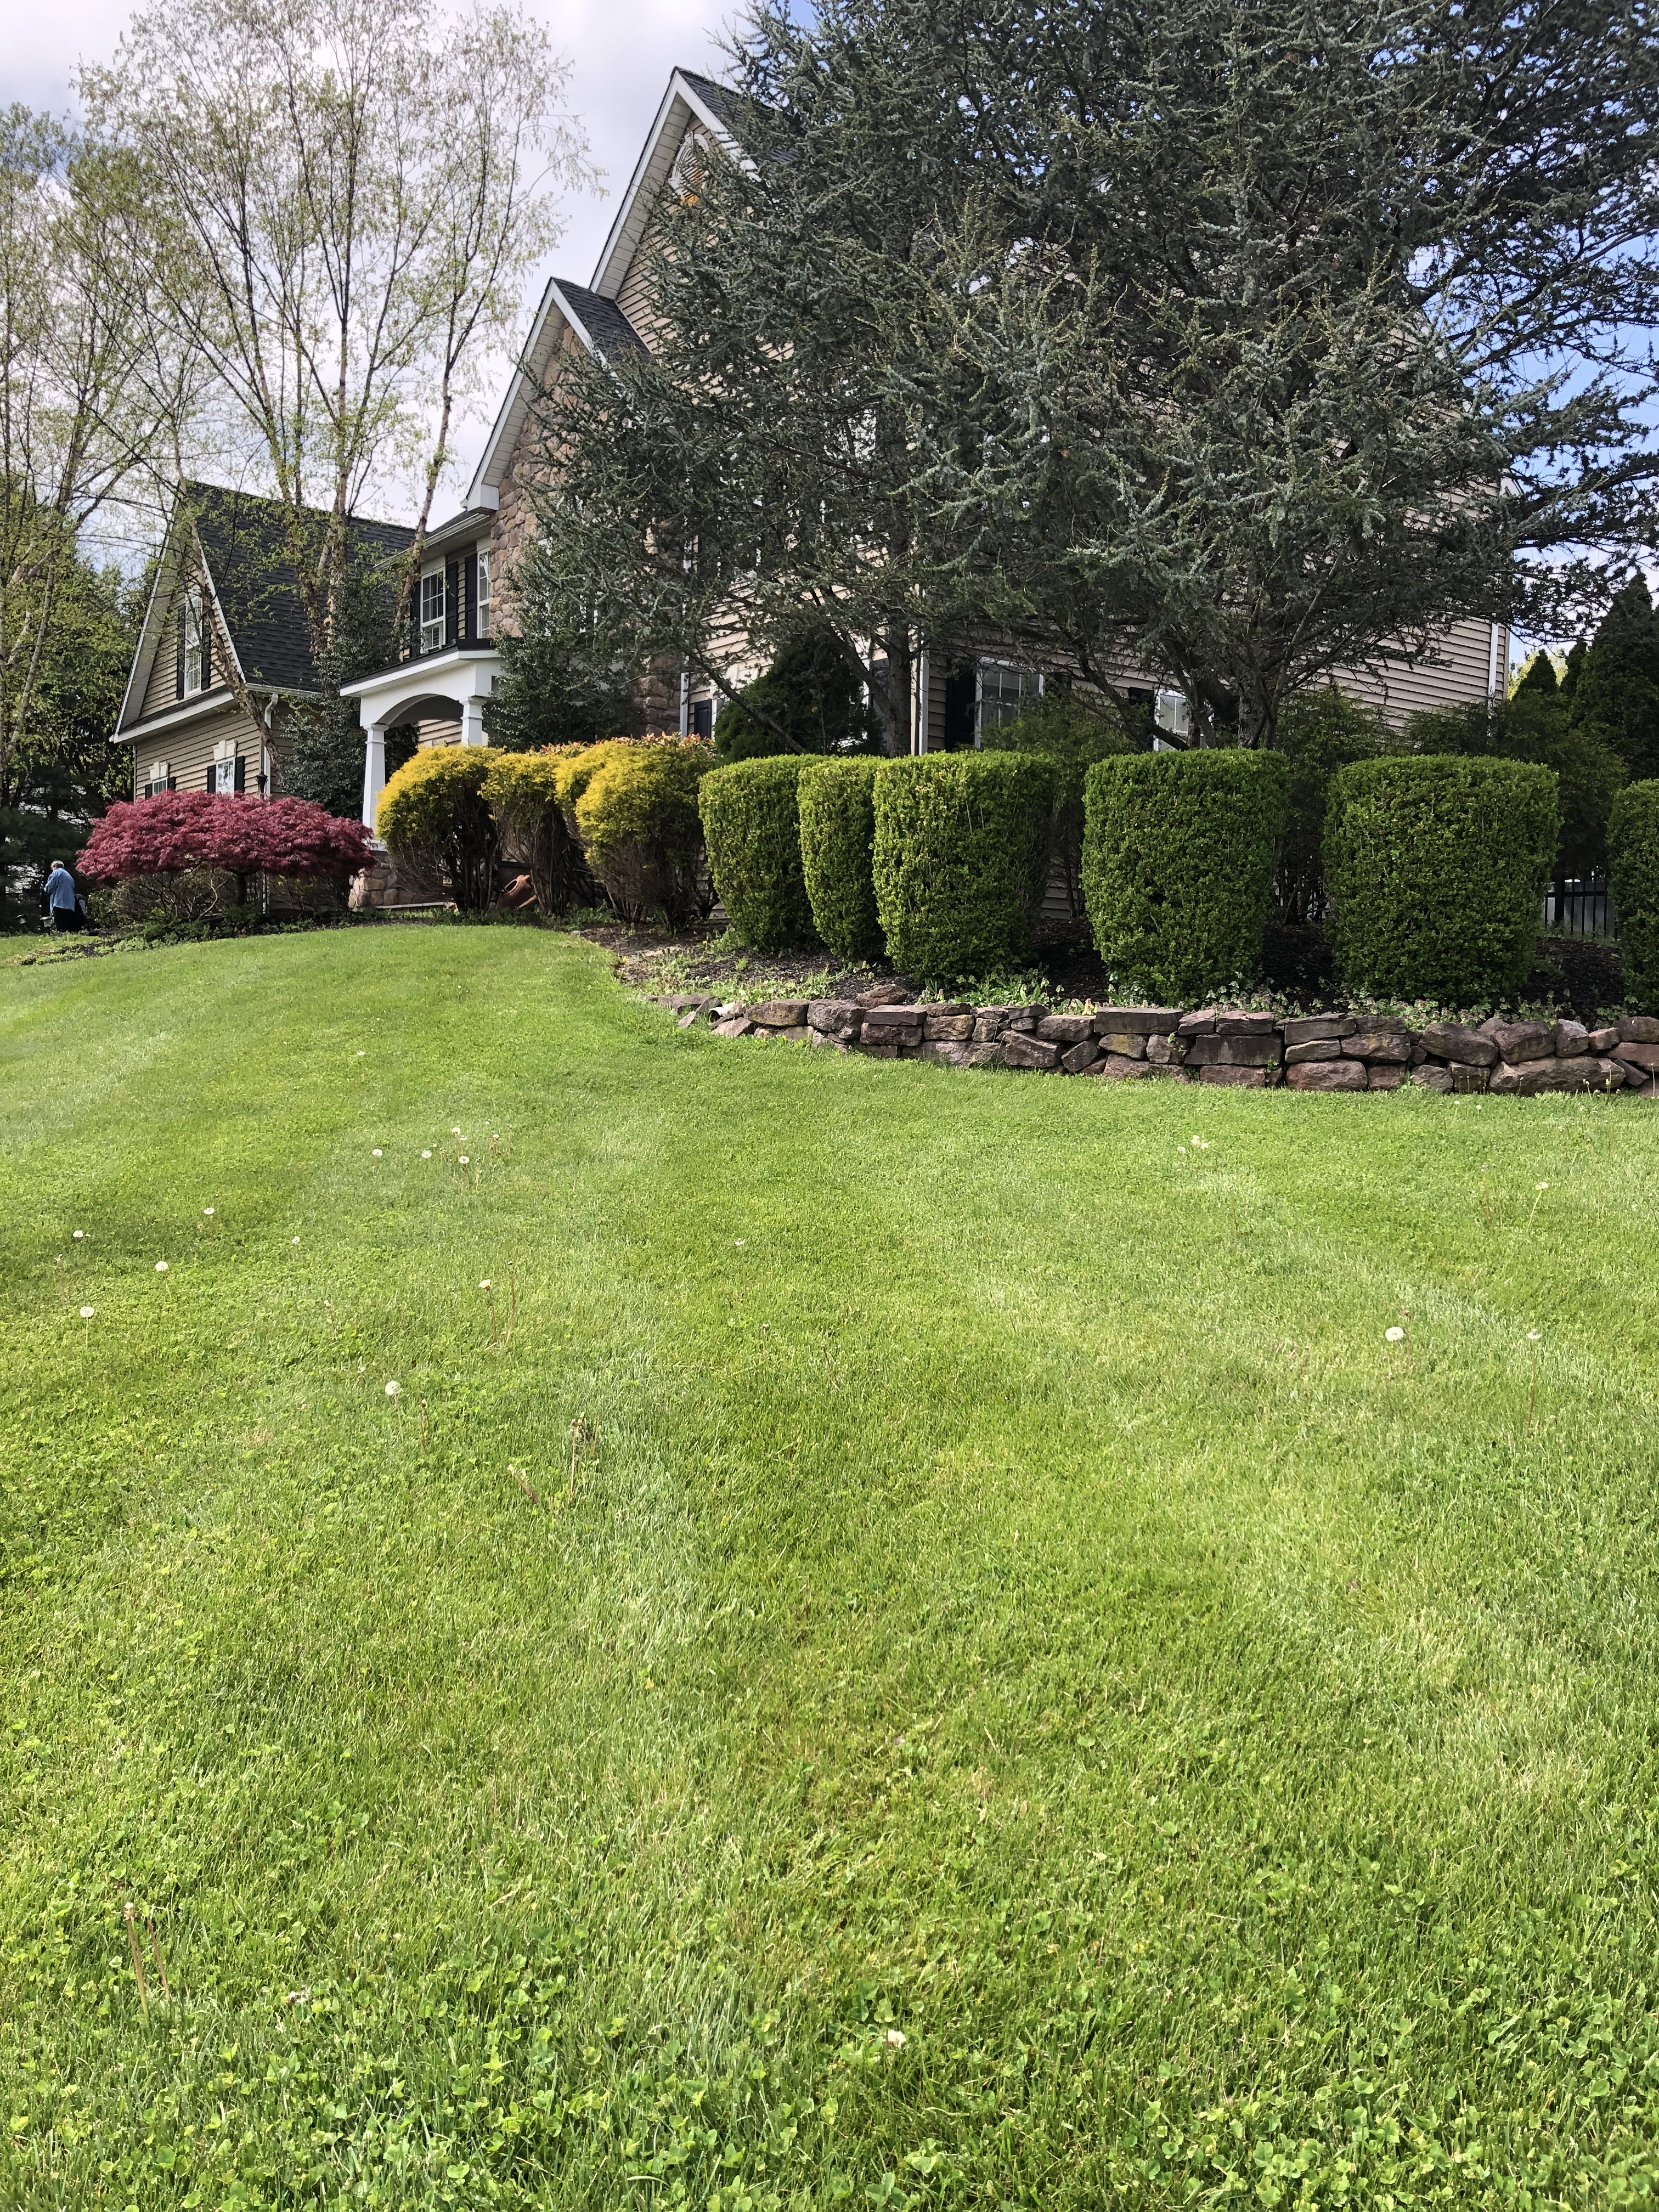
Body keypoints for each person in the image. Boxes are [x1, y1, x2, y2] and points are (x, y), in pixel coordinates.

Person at [44, 860, 80, 933]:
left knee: (60, 925)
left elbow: (50, 887)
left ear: (55, 867)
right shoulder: (69, 876)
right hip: (70, 904)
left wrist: (45, 890)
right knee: (67, 926)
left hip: (59, 903)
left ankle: (60, 936)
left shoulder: (56, 873)